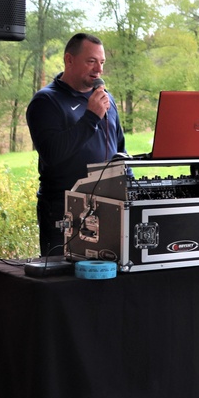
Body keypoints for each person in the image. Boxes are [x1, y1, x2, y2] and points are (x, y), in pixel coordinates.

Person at [26, 33, 125, 257]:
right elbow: (52, 153)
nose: (98, 69)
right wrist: (91, 117)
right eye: (91, 61)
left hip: (106, 206)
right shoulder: (46, 101)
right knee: (63, 280)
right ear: (69, 60)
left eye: (102, 63)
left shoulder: (106, 99)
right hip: (64, 209)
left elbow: (120, 150)